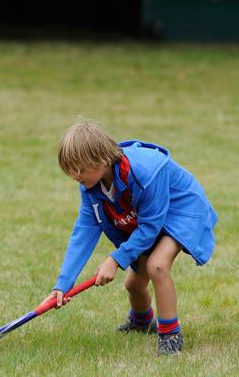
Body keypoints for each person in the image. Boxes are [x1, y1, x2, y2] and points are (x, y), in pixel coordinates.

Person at [43, 119, 218, 355]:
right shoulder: (90, 187)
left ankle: (170, 335)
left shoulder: (145, 172)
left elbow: (150, 226)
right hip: (148, 217)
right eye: (70, 170)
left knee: (157, 266)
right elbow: (84, 230)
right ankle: (142, 322)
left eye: (80, 169)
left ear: (101, 159)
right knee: (133, 284)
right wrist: (63, 283)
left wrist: (116, 259)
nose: (75, 176)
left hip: (181, 210)